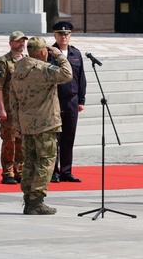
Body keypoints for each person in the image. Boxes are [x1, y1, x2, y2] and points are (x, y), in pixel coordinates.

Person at [10, 36, 72, 215]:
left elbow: (13, 101)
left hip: (27, 124)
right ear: (43, 51)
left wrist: (18, 125)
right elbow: (67, 74)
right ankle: (36, 201)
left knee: (29, 161)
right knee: (46, 161)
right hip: (45, 124)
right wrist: (60, 55)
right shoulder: (43, 69)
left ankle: (28, 199)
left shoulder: (18, 69)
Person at [49, 21, 87, 183]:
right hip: (54, 99)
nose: (64, 37)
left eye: (67, 34)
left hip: (72, 99)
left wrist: (81, 100)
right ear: (55, 36)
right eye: (60, 34)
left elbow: (81, 79)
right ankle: (53, 172)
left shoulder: (76, 54)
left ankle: (66, 171)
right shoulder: (48, 53)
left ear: (70, 36)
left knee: (68, 137)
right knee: (54, 138)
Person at [0, 31, 28, 185]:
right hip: (9, 109)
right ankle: (8, 172)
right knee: (9, 140)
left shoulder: (28, 60)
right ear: (11, 43)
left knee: (22, 140)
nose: (21, 44)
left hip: (24, 109)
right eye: (18, 41)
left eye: (23, 41)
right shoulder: (4, 61)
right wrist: (1, 108)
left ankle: (19, 170)